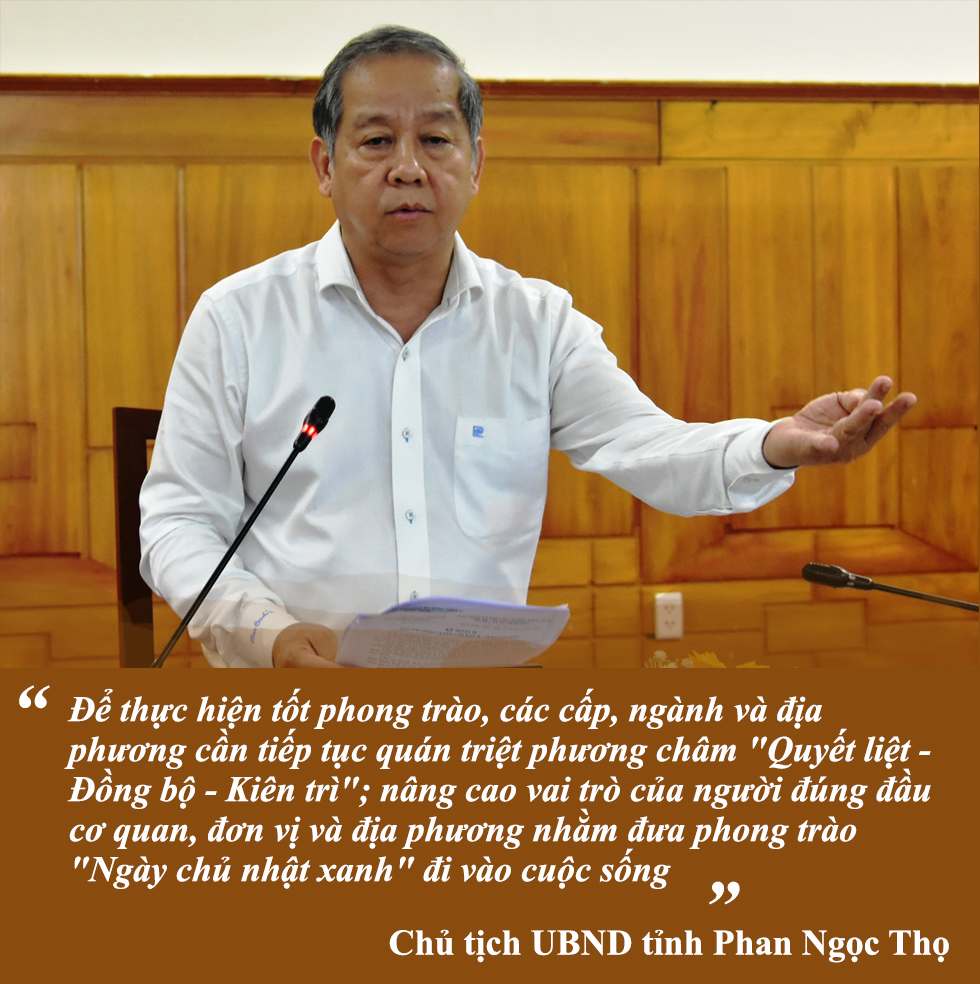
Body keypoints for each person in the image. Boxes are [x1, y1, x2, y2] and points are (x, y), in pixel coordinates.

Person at [139, 26, 916, 669]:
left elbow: (652, 450)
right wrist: (268, 634)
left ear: (475, 163)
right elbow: (177, 522)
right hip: (299, 702)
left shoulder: (537, 325)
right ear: (324, 165)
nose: (407, 167)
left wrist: (775, 444)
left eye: (435, 139)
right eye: (375, 140)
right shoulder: (239, 320)